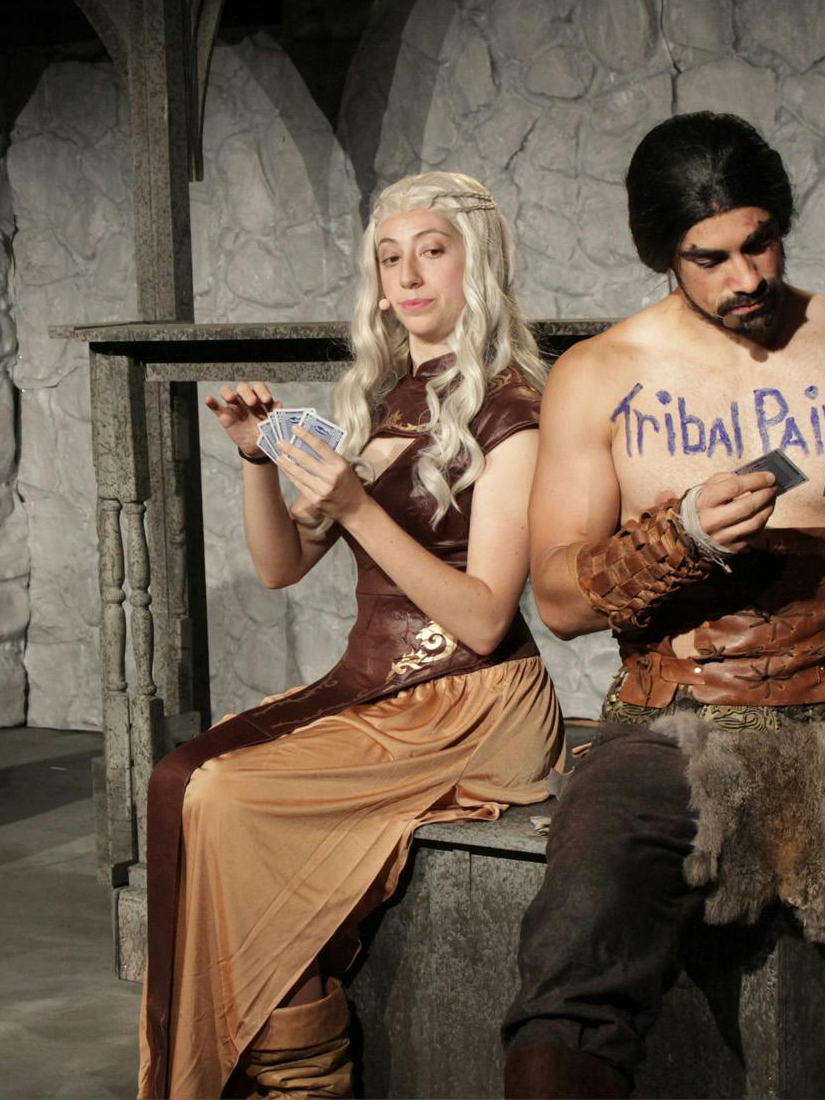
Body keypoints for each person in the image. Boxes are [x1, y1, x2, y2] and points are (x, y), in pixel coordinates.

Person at [502, 112, 825, 1098]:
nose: (745, 277)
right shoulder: (599, 373)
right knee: (570, 966)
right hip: (667, 726)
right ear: (663, 255)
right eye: (710, 259)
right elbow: (557, 598)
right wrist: (677, 538)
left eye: (758, 244)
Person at [139, 173, 565, 1098]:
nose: (406, 276)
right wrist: (256, 460)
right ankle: (282, 1065)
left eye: (431, 251)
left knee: (228, 798)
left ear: (476, 263)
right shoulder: (385, 399)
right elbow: (283, 564)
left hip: (472, 698)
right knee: (186, 781)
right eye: (389, 256)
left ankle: (301, 1082)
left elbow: (485, 616)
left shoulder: (514, 410)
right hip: (378, 683)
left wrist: (357, 506)